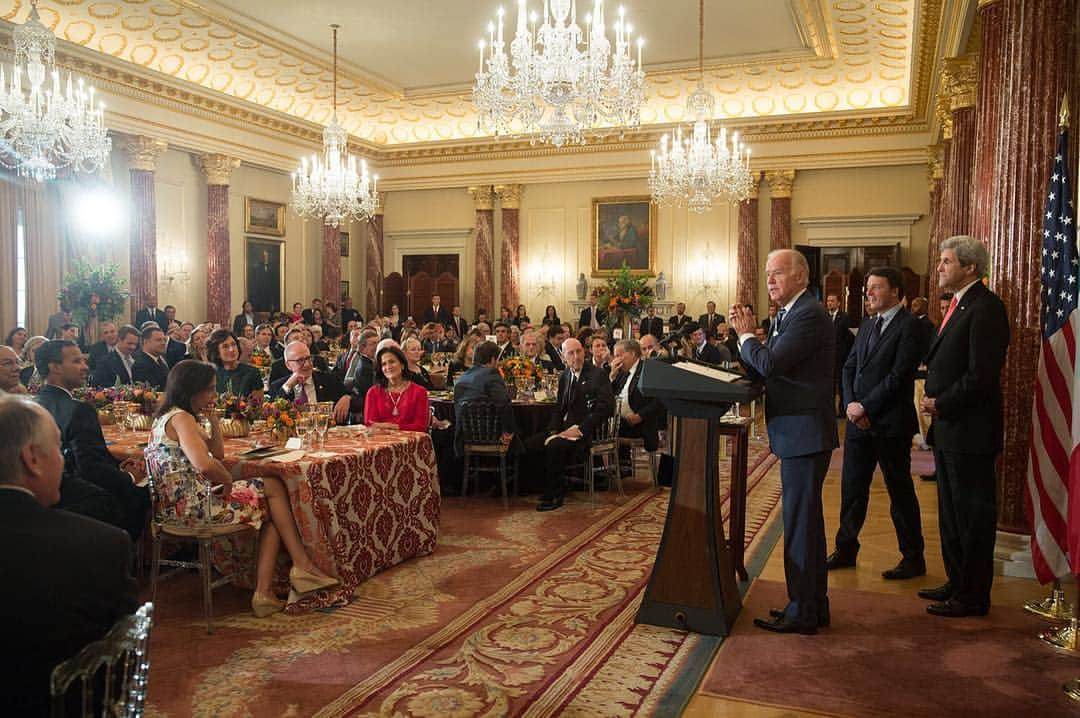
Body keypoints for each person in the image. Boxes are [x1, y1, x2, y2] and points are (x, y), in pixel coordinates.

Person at [148, 361, 339, 618]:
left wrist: (213, 421)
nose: (214, 396)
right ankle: (292, 573)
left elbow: (217, 452)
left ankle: (276, 586)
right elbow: (205, 464)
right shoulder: (181, 418)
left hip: (174, 507)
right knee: (274, 488)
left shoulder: (166, 416)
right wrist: (227, 480)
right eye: (210, 390)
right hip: (196, 508)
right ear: (193, 390)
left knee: (272, 504)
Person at [0, 395, 138, 717]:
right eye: (59, 450)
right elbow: (118, 672)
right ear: (32, 459)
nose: (64, 461)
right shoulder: (100, 544)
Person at [730, 248, 837, 634]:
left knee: (800, 524)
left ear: (801, 276)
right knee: (805, 523)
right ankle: (812, 604)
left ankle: (802, 611)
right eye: (767, 273)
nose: (769, 280)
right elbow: (768, 368)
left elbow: (771, 364)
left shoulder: (807, 313)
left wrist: (745, 336)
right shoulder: (788, 314)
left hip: (804, 432)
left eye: (777, 273)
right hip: (797, 430)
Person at [918, 236, 1009, 617]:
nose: (939, 267)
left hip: (969, 430)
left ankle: (972, 595)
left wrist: (941, 402)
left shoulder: (986, 308)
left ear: (970, 267)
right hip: (951, 430)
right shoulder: (961, 304)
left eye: (946, 261)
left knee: (972, 517)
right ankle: (957, 582)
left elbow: (981, 375)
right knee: (952, 514)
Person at [829, 267, 928, 580]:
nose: (868, 293)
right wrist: (849, 404)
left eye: (876, 288)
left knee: (899, 492)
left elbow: (899, 377)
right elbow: (848, 367)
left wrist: (865, 405)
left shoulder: (910, 326)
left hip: (890, 424)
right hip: (859, 425)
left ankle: (913, 558)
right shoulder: (869, 324)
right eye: (867, 288)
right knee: (852, 490)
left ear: (895, 291)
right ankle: (846, 549)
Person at [35, 340, 150, 538]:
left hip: (46, 490)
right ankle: (127, 560)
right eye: (77, 361)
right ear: (55, 367)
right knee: (144, 491)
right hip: (77, 496)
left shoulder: (35, 403)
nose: (85, 367)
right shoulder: (78, 409)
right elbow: (90, 468)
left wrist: (119, 464)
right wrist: (130, 477)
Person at [526, 338, 614, 511]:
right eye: (571, 353)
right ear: (563, 356)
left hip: (588, 432)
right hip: (566, 429)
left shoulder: (597, 375)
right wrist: (552, 430)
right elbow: (559, 408)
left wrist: (580, 430)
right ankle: (542, 487)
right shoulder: (565, 375)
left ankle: (556, 495)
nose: (576, 356)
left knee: (554, 446)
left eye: (579, 351)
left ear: (584, 352)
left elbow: (605, 409)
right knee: (530, 444)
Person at [453, 341, 517, 456]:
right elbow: (504, 403)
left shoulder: (462, 377)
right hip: (491, 435)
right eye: (498, 359)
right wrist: (508, 431)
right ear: (493, 359)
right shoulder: (491, 374)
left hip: (464, 437)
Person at [268, 341, 351, 423]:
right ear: (288, 365)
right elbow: (272, 413)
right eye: (300, 360)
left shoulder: (328, 379)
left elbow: (356, 399)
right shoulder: (278, 386)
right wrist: (288, 385)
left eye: (308, 358)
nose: (307, 364)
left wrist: (347, 397)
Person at [609, 339, 660, 456]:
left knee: (606, 430)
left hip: (640, 423)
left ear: (632, 354)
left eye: (619, 355)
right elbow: (609, 396)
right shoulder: (621, 372)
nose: (616, 360)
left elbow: (659, 401)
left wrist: (640, 416)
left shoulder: (647, 370)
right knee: (598, 426)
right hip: (621, 421)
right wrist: (611, 377)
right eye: (615, 356)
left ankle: (621, 470)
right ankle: (612, 470)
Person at [364, 345, 430, 432]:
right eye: (384, 364)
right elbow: (370, 424)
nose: (388, 367)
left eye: (392, 362)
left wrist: (393, 427)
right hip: (380, 442)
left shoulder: (420, 392)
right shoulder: (373, 392)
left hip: (411, 443)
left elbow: (420, 426)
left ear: (402, 365)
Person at [207, 328, 264, 400]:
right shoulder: (211, 374)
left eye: (233, 344)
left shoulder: (252, 372)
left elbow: (258, 406)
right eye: (225, 346)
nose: (232, 349)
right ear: (217, 352)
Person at [826, 293, 856, 417]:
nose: (829, 303)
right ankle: (829, 410)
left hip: (841, 357)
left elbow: (848, 339)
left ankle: (843, 410)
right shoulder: (824, 317)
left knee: (842, 385)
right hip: (828, 358)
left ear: (838, 303)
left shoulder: (844, 317)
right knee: (829, 385)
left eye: (832, 301)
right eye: (828, 301)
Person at [132, 325, 171, 390]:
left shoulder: (160, 359)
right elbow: (151, 391)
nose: (163, 343)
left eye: (164, 340)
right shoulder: (140, 364)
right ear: (146, 342)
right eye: (158, 340)